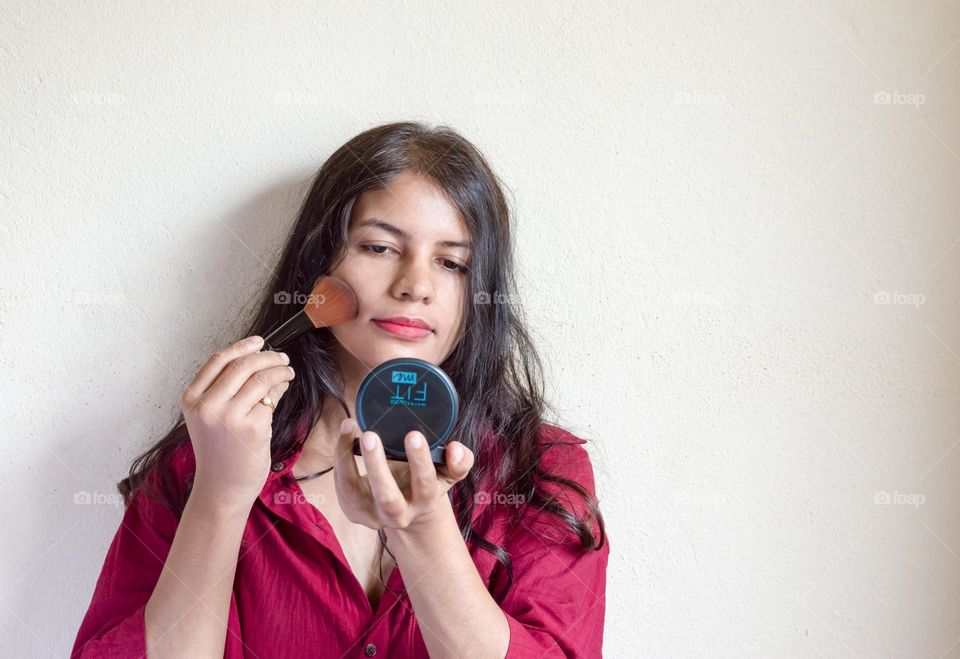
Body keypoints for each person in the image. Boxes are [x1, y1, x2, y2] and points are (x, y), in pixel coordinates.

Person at [71, 121, 609, 658]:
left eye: (451, 263)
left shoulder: (541, 474)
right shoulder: (206, 460)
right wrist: (219, 497)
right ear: (319, 265)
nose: (414, 285)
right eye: (378, 247)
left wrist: (422, 534)